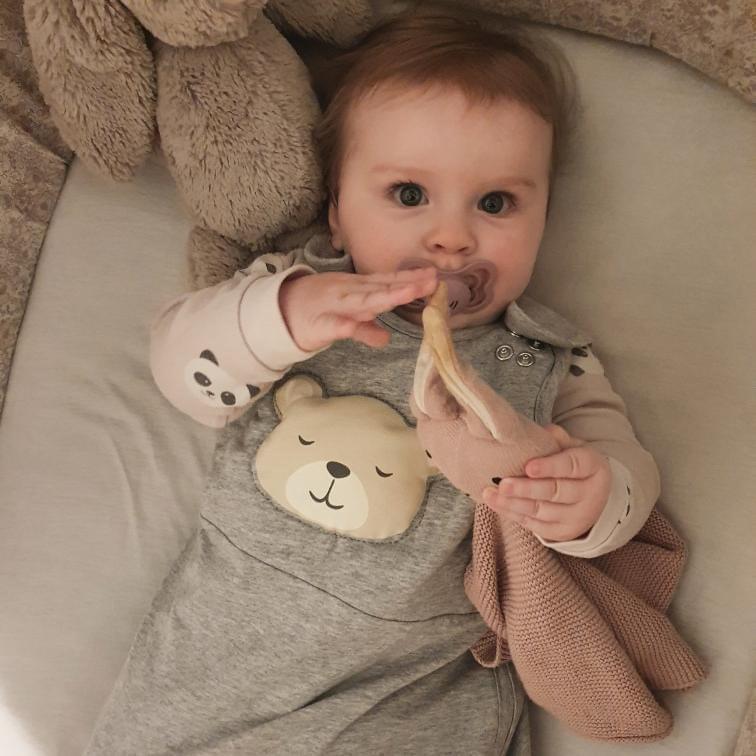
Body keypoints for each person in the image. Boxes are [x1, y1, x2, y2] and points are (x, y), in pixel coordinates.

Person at [85, 6, 660, 754]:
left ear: (544, 219)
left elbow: (628, 474)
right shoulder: (297, 292)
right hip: (221, 661)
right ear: (337, 211)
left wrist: (590, 499)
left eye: (495, 204)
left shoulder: (544, 356)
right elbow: (182, 368)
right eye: (409, 195)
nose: (451, 237)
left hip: (411, 686)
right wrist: (279, 317)